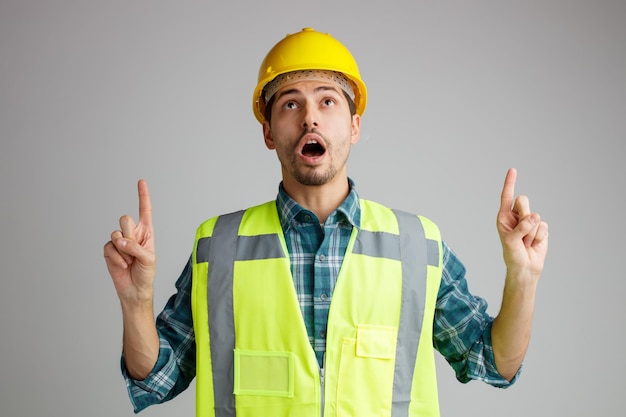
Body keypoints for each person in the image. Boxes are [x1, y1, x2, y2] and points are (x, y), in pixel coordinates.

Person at [103, 28, 549, 417]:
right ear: (268, 132)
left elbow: (494, 362)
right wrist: (136, 300)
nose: (310, 117)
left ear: (354, 126)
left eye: (328, 101)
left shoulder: (416, 246)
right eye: (290, 104)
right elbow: (156, 379)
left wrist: (523, 277)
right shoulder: (218, 247)